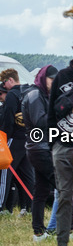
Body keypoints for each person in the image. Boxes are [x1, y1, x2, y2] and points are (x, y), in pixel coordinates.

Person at [22, 65, 57, 240]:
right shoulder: (35, 95)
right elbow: (39, 121)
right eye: (52, 79)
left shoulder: (42, 94)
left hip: (40, 148)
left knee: (41, 191)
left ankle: (39, 232)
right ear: (44, 78)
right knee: (63, 188)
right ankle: (70, 227)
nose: (54, 83)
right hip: (40, 149)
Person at [47, 60, 73, 246]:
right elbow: (50, 110)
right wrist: (54, 143)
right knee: (64, 196)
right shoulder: (63, 76)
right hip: (63, 145)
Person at [0, 68, 33, 215]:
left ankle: (1, 206)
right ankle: (31, 206)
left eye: (3, 82)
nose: (3, 85)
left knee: (4, 172)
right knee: (27, 174)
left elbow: (8, 117)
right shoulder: (28, 91)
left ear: (10, 80)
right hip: (27, 138)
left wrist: (3, 136)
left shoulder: (12, 94)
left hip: (13, 138)